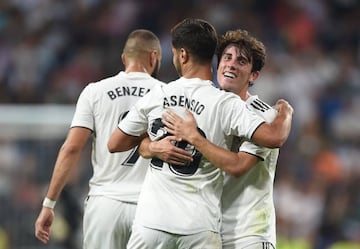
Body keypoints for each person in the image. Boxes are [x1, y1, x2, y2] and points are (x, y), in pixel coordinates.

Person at [108, 18, 293, 249]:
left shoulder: (263, 116)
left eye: (242, 61)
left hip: (248, 234)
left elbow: (238, 166)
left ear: (253, 75)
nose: (231, 65)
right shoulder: (211, 103)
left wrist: (285, 114)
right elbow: (144, 138)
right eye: (227, 57)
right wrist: (152, 147)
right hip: (209, 230)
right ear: (217, 63)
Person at [34, 29, 166, 249]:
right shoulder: (166, 93)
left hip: (105, 205)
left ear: (124, 59)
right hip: (151, 207)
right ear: (154, 57)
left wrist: (49, 203)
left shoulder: (95, 92)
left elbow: (71, 148)